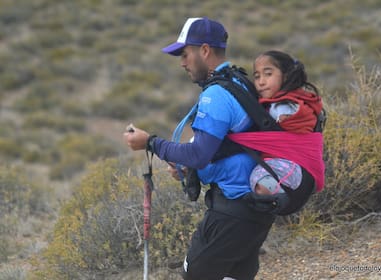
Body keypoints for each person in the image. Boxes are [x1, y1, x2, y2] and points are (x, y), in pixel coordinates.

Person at [124, 17, 275, 280]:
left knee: (195, 274)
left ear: (204, 50)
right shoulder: (239, 82)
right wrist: (188, 169)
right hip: (254, 209)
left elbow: (199, 154)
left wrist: (150, 143)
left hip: (233, 210)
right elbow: (228, 147)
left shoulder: (216, 95)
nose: (182, 63)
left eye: (185, 54)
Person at [249, 50, 323, 196]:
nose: (261, 82)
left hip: (291, 166)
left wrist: (287, 117)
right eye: (257, 77)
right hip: (289, 167)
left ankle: (281, 199)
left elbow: (296, 118)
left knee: (260, 180)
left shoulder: (283, 105)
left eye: (268, 74)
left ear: (286, 76)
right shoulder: (278, 103)